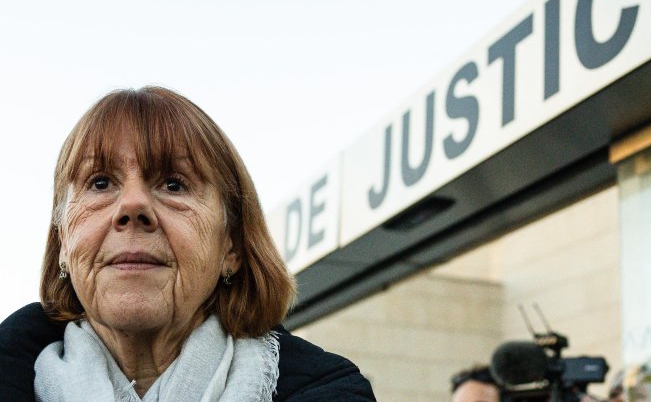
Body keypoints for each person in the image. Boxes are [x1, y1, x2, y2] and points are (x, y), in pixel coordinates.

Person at [0, 86, 376, 401]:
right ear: (64, 241)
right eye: (100, 183)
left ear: (232, 247)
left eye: (174, 184)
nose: (132, 206)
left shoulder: (332, 390)